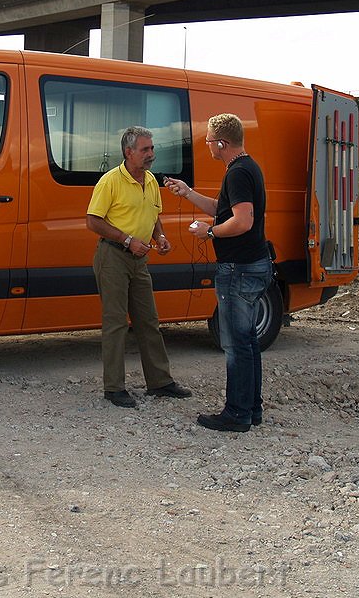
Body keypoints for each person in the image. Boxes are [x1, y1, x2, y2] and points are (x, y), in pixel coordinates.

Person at [163, 113, 270, 432]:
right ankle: (252, 408)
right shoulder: (246, 168)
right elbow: (223, 209)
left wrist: (210, 234)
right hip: (253, 263)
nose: (206, 145)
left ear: (221, 143)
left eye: (209, 140)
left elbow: (242, 221)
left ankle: (237, 414)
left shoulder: (238, 173)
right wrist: (187, 192)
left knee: (237, 344)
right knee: (248, 341)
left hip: (239, 268)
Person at [86, 126, 192, 408]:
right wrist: (127, 239)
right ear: (128, 152)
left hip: (139, 259)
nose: (151, 155)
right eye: (145, 150)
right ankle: (114, 388)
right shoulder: (110, 182)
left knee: (148, 321)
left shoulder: (151, 182)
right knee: (116, 323)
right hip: (113, 257)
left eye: (152, 149)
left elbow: (154, 215)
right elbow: (93, 221)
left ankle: (160, 382)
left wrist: (161, 237)